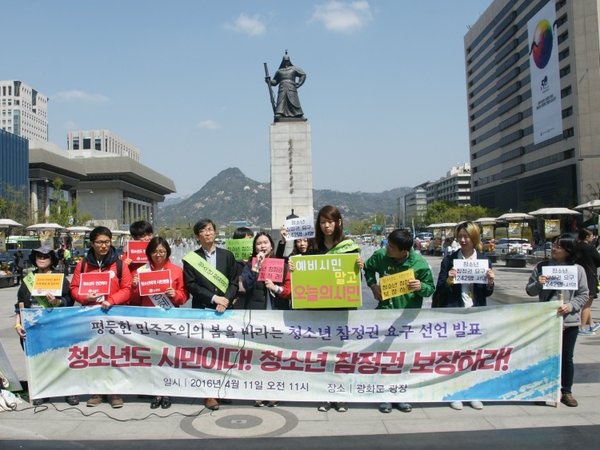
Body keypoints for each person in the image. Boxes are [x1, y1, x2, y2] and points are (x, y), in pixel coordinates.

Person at [364, 229, 435, 414]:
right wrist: (373, 286)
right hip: (385, 315)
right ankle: (385, 396)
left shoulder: (419, 264)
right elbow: (368, 268)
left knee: (405, 359)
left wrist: (421, 287)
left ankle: (403, 395)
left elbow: (430, 288)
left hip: (408, 318)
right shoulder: (381, 255)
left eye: (392, 247)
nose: (387, 248)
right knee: (385, 358)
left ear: (404, 251)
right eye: (388, 244)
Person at [433, 221, 495, 411]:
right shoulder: (449, 260)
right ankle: (455, 391)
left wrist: (491, 282)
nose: (462, 239)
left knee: (474, 354)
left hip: (476, 312)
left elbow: (486, 292)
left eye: (466, 236)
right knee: (456, 354)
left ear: (475, 237)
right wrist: (450, 279)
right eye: (460, 236)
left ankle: (473, 392)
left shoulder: (484, 260)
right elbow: (440, 289)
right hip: (455, 312)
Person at [69, 226, 132, 409]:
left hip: (113, 315)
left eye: (106, 242)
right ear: (92, 243)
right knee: (94, 353)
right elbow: (73, 287)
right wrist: (83, 297)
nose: (103, 246)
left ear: (111, 242)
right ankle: (97, 391)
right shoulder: (82, 265)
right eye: (99, 242)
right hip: (91, 316)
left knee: (114, 353)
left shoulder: (120, 264)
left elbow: (127, 289)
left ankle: (115, 392)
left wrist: (112, 300)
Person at [311, 205, 363, 413]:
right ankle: (324, 394)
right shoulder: (314, 246)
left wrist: (360, 265)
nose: (326, 226)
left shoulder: (349, 246)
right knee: (323, 352)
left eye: (330, 221)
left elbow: (355, 277)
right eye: (323, 222)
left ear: (339, 222)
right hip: (320, 307)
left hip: (342, 306)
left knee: (342, 352)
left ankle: (340, 395)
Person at [526, 234, 588, 407]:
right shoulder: (542, 267)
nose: (554, 249)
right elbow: (529, 291)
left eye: (559, 246)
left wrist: (571, 306)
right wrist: (538, 283)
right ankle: (544, 389)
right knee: (545, 356)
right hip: (546, 320)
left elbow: (584, 294)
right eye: (553, 245)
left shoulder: (577, 270)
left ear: (568, 250)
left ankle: (566, 391)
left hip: (569, 321)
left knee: (567, 357)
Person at [183, 219, 238, 411]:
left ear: (215, 232)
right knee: (206, 353)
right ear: (197, 236)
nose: (207, 233)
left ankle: (224, 389)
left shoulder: (227, 255)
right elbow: (191, 285)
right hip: (203, 310)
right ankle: (209, 394)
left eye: (210, 229)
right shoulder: (191, 258)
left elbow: (234, 281)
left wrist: (227, 300)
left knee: (224, 352)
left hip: (226, 311)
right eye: (203, 231)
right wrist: (216, 298)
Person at [14, 246, 78, 407]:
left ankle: (68, 391)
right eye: (38, 256)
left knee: (61, 359)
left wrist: (57, 302)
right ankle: (42, 391)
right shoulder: (28, 279)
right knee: (39, 361)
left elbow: (69, 300)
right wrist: (17, 322)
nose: (42, 259)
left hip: (56, 325)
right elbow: (20, 302)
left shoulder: (60, 278)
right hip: (35, 327)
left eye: (46, 256)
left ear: (52, 259)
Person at [130, 237, 189, 410]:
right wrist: (134, 286)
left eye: (162, 251)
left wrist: (175, 294)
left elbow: (184, 296)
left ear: (167, 252)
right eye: (155, 252)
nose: (158, 255)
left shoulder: (177, 271)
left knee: (168, 355)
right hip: (148, 319)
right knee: (153, 355)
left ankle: (168, 390)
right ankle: (155, 390)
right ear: (149, 253)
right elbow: (133, 299)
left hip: (169, 319)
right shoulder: (141, 271)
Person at [241, 232, 292, 407]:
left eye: (265, 243)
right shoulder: (250, 264)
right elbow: (246, 285)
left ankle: (274, 391)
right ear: (255, 248)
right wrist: (257, 267)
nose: (262, 246)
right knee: (258, 354)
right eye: (258, 244)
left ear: (271, 246)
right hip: (257, 315)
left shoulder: (281, 263)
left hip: (277, 314)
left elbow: (287, 289)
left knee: (276, 353)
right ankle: (257, 391)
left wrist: (275, 287)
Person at [266, 51, 306, 120]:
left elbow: (303, 74)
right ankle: (279, 113)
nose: (286, 62)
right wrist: (269, 81)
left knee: (294, 101)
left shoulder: (294, 69)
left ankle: (298, 115)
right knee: (281, 101)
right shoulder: (279, 71)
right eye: (285, 61)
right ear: (282, 61)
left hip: (291, 87)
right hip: (282, 87)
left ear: (289, 61)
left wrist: (299, 83)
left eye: (287, 61)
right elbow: (275, 82)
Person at [574, 228, 600, 335]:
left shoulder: (575, 247)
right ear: (586, 237)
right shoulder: (590, 248)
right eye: (592, 235)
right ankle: (582, 327)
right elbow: (599, 261)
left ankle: (592, 323)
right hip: (589, 276)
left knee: (585, 302)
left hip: (577, 275)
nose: (593, 237)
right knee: (587, 303)